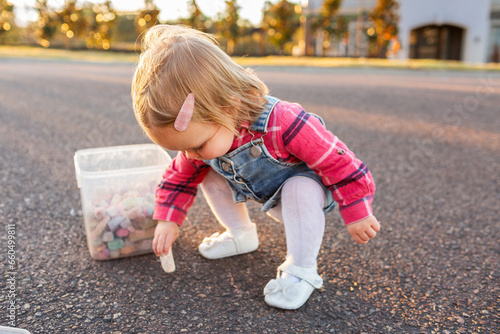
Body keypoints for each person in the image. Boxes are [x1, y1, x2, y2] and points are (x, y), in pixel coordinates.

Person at [131, 25, 380, 310]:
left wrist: (357, 209)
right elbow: (178, 178)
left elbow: (336, 159)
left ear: (228, 107)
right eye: (182, 148)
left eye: (196, 145)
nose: (189, 154)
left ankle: (301, 269)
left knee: (299, 186)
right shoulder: (204, 137)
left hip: (303, 201)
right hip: (261, 192)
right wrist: (168, 219)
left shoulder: (284, 121)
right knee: (205, 171)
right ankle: (240, 233)